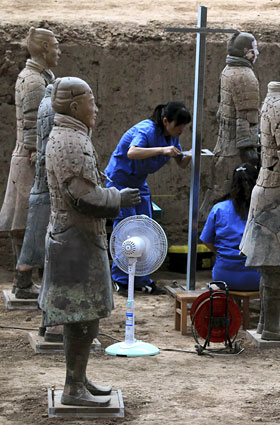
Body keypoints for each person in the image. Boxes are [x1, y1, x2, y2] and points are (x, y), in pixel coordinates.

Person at [42, 76, 141, 406]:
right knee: (82, 316)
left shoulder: (70, 134)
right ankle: (73, 388)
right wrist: (118, 198)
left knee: (84, 316)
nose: (96, 108)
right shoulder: (72, 141)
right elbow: (81, 196)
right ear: (74, 106)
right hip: (77, 241)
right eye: (91, 102)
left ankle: (78, 380)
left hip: (76, 237)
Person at [240, 81, 280, 341]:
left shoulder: (273, 101)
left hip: (270, 191)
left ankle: (269, 322)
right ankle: (270, 326)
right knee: (277, 265)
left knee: (273, 267)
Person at [104, 101, 192, 295]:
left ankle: (142, 278)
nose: (181, 131)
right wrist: (162, 150)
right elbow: (132, 152)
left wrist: (192, 154)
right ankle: (121, 280)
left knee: (146, 230)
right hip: (119, 181)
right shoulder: (146, 130)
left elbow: (182, 164)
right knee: (127, 230)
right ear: (166, 121)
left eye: (184, 127)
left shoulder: (172, 138)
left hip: (139, 183)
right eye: (179, 126)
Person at [0, 28, 60, 299]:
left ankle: (31, 279)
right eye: (56, 46)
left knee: (33, 219)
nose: (59, 51)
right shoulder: (34, 81)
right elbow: (32, 125)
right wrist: (39, 157)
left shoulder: (42, 76)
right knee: (26, 220)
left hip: (32, 158)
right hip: (30, 160)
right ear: (45, 47)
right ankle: (23, 282)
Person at [202, 31, 260, 218]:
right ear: (246, 52)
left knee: (218, 196)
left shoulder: (227, 71)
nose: (257, 52)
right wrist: (250, 150)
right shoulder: (246, 76)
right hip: (236, 153)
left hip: (224, 146)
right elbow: (246, 116)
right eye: (254, 48)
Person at [201, 164, 261, 291]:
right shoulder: (262, 210)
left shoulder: (219, 208)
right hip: (256, 278)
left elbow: (206, 240)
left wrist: (223, 254)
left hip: (224, 277)